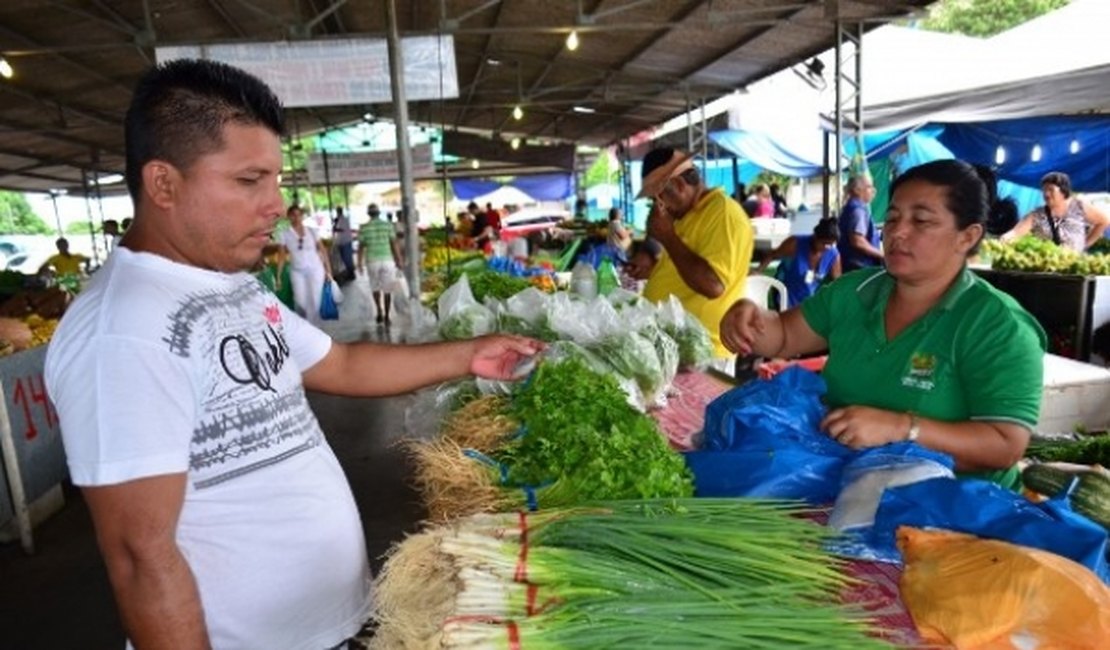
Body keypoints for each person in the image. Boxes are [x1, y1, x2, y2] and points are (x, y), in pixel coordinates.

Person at [44, 59, 543, 650]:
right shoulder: (122, 331)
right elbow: (140, 558)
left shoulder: (229, 282)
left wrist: (471, 355)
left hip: (333, 627)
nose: (276, 205)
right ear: (164, 184)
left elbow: (342, 365)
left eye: (276, 179)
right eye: (248, 181)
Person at [720, 159, 1046, 490]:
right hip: (853, 487)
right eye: (891, 218)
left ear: (967, 236)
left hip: (957, 514)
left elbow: (1005, 444)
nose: (896, 232)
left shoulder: (997, 326)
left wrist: (901, 428)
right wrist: (750, 319)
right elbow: (784, 335)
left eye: (920, 221)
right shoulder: (855, 292)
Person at [639, 147, 753, 359]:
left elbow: (713, 285)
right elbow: (684, 263)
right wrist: (651, 251)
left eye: (660, 197)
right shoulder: (688, 214)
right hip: (675, 343)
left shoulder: (723, 214)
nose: (660, 206)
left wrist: (668, 237)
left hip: (702, 351)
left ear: (680, 185)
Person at [1001, 171, 1109, 252]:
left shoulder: (1079, 206)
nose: (1046, 194)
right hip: (1048, 267)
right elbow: (1016, 232)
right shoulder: (1037, 215)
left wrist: (1085, 244)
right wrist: (1006, 238)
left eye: (1051, 189)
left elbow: (1104, 221)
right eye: (1044, 190)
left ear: (1063, 191)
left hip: (1074, 264)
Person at [756, 218, 841, 307]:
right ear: (815, 237)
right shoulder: (794, 243)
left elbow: (838, 282)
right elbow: (772, 255)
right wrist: (758, 270)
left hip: (807, 298)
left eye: (831, 244)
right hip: (785, 293)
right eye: (824, 243)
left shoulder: (833, 254)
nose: (827, 247)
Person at [277, 205, 332, 325]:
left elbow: (323, 250)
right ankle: (307, 325)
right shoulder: (284, 233)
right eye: (293, 215)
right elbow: (281, 256)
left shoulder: (312, 231)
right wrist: (278, 276)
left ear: (302, 216)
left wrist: (328, 270)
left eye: (298, 215)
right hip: (297, 271)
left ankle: (312, 328)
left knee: (315, 300)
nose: (296, 218)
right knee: (300, 300)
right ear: (288, 217)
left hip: (315, 269)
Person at [358, 202, 402, 325]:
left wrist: (359, 263)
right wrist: (399, 260)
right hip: (387, 260)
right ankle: (387, 316)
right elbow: (394, 244)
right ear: (378, 213)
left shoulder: (364, 227)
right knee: (387, 289)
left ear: (368, 214)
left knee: (375, 287)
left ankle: (379, 311)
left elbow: (361, 247)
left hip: (372, 261)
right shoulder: (387, 225)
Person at [837, 174, 882, 271]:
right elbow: (858, 241)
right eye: (869, 187)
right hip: (859, 266)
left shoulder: (853, 207)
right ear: (857, 190)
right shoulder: (857, 210)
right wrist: (882, 255)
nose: (874, 191)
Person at [332, 206, 355, 282]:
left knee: (347, 258)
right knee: (344, 259)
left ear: (340, 211)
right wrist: (335, 224)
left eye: (338, 211)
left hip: (346, 241)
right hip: (341, 242)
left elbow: (342, 229)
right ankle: (348, 273)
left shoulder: (344, 219)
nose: (337, 212)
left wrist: (335, 227)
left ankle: (351, 274)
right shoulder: (338, 220)